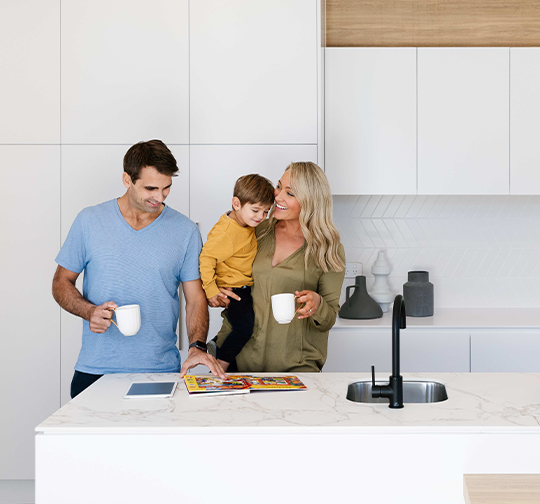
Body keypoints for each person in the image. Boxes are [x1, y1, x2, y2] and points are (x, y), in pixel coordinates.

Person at [52, 140, 225, 399]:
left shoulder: (185, 230)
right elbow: (61, 282)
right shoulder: (89, 221)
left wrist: (197, 346)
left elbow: (195, 298)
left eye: (166, 188)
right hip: (95, 371)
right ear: (127, 179)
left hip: (160, 372)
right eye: (150, 188)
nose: (159, 196)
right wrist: (89, 312)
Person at [212, 162, 346, 373]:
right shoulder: (256, 230)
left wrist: (317, 303)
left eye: (290, 193)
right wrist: (218, 291)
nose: (278, 196)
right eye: (279, 186)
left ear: (311, 201)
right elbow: (223, 266)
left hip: (297, 367)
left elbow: (328, 318)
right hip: (240, 361)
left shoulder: (327, 249)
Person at [199, 174, 275, 373]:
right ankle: (220, 365)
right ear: (236, 203)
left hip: (243, 286)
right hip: (235, 290)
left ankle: (218, 345)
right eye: (256, 210)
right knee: (244, 329)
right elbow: (206, 258)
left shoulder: (243, 222)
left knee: (243, 325)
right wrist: (211, 290)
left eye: (266, 211)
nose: (260, 217)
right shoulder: (226, 233)